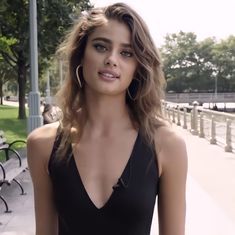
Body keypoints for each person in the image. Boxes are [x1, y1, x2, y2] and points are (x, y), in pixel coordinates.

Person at [27, 2, 188, 235]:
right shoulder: (42, 144)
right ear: (80, 55)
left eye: (126, 53)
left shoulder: (166, 145)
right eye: (101, 47)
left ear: (138, 67)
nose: (112, 59)